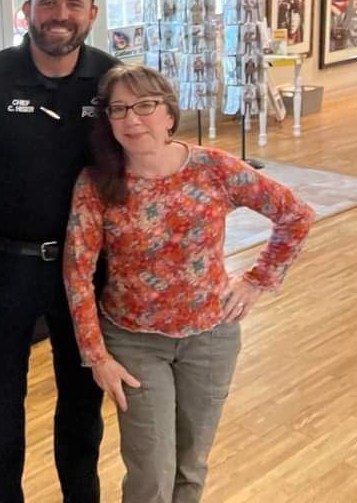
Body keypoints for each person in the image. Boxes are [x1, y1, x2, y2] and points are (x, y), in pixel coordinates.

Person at [64, 65, 314, 503]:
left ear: (169, 114)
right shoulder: (98, 183)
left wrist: (258, 280)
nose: (132, 119)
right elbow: (77, 271)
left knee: (191, 465)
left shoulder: (213, 168)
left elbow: (295, 214)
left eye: (145, 106)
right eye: (118, 109)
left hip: (212, 338)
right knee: (150, 472)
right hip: (134, 343)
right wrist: (95, 355)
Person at [0, 0, 116, 503]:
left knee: (83, 416)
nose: (59, 13)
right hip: (1, 268)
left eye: (74, 3)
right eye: (47, 1)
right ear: (27, 9)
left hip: (86, 272)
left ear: (92, 14)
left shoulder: (111, 78)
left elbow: (142, 165)